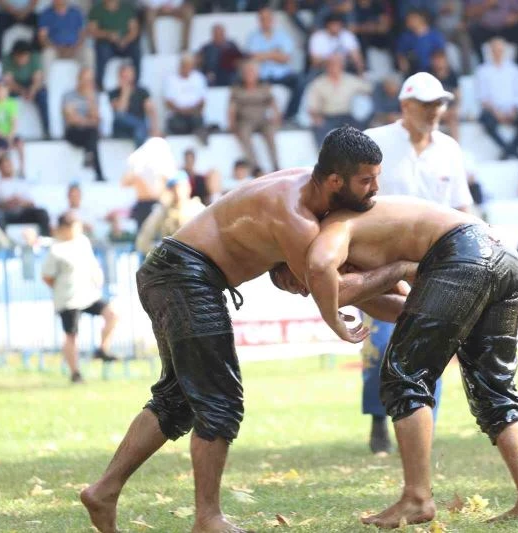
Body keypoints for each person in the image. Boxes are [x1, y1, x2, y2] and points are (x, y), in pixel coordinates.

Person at [80, 127, 414, 533]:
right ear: (334, 181)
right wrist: (403, 276)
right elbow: (339, 293)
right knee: (218, 398)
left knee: (179, 397)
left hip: (173, 273)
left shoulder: (306, 191)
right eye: (366, 180)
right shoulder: (296, 217)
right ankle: (207, 518)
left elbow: (347, 281)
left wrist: (418, 303)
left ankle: (104, 491)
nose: (375, 189)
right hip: (184, 276)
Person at [304, 196, 518, 527]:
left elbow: (326, 280)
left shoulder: (331, 232)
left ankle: (417, 499)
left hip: (464, 252)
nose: (303, 289)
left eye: (294, 281)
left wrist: (400, 269)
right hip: (500, 254)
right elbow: (406, 308)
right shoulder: (363, 237)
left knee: (403, 375)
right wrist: (396, 273)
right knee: (494, 385)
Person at [361, 72, 473, 455]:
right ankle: (378, 419)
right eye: (426, 104)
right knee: (379, 342)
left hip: (435, 262)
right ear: (405, 105)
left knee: (431, 345)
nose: (434, 111)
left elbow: (462, 206)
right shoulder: (374, 142)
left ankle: (423, 428)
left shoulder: (449, 149)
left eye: (439, 104)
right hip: (380, 259)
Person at [42, 211, 118, 384]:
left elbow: (91, 264)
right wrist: (60, 288)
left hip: (89, 294)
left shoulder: (82, 242)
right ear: (64, 228)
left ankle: (102, 349)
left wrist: (96, 276)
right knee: (71, 335)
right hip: (68, 299)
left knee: (112, 315)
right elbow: (47, 276)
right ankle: (75, 373)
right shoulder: (56, 249)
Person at [476, 37, 518, 160]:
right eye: (495, 50)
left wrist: (514, 110)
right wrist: (496, 112)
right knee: (486, 121)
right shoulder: (482, 71)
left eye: (500, 50)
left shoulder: (514, 69)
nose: (497, 53)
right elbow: (482, 97)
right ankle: (511, 151)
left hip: (512, 110)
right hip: (493, 110)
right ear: (490, 51)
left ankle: (508, 150)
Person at [228, 60, 281, 173]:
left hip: (262, 119)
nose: (249, 74)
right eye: (247, 72)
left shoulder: (264, 87)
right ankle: (255, 167)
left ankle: (276, 165)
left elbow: (272, 103)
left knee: (270, 133)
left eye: (252, 72)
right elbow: (232, 108)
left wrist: (277, 117)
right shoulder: (237, 88)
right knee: (244, 135)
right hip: (245, 120)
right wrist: (231, 124)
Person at [135, 172, 204, 254]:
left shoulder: (198, 210)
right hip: (171, 261)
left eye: (181, 187)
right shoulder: (162, 211)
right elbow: (143, 242)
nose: (178, 192)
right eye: (174, 188)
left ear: (188, 187)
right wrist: (164, 251)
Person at [87, 0, 141, 89]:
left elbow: (134, 30)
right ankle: (99, 84)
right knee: (102, 50)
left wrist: (125, 40)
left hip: (125, 43)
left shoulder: (127, 8)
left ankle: (135, 83)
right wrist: (108, 35)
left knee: (136, 50)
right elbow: (92, 31)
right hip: (107, 44)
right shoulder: (96, 9)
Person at [63, 67, 104, 181]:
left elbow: (96, 119)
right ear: (79, 79)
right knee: (93, 134)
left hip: (88, 132)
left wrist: (90, 101)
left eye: (90, 80)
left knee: (92, 133)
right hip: (73, 132)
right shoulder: (69, 95)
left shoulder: (93, 96)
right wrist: (88, 121)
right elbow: (71, 119)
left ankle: (89, 158)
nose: (87, 83)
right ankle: (98, 173)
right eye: (85, 80)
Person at [109, 62, 159, 148]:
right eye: (124, 75)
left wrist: (154, 129)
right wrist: (125, 91)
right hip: (122, 129)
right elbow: (120, 111)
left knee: (139, 132)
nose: (126, 77)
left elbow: (151, 109)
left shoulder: (142, 91)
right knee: (122, 117)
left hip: (138, 129)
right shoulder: (114, 93)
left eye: (128, 74)